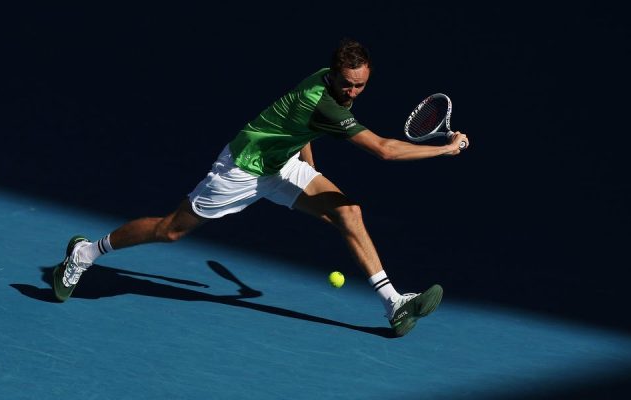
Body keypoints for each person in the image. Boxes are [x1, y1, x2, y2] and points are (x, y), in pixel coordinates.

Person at [52, 38, 469, 337]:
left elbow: (301, 123)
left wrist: (305, 155)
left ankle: (394, 304)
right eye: (346, 83)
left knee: (349, 212)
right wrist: (445, 150)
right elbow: (383, 151)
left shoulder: (327, 84)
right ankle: (85, 253)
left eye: (360, 84)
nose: (352, 91)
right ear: (334, 75)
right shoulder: (325, 100)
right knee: (171, 230)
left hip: (281, 164)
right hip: (242, 168)